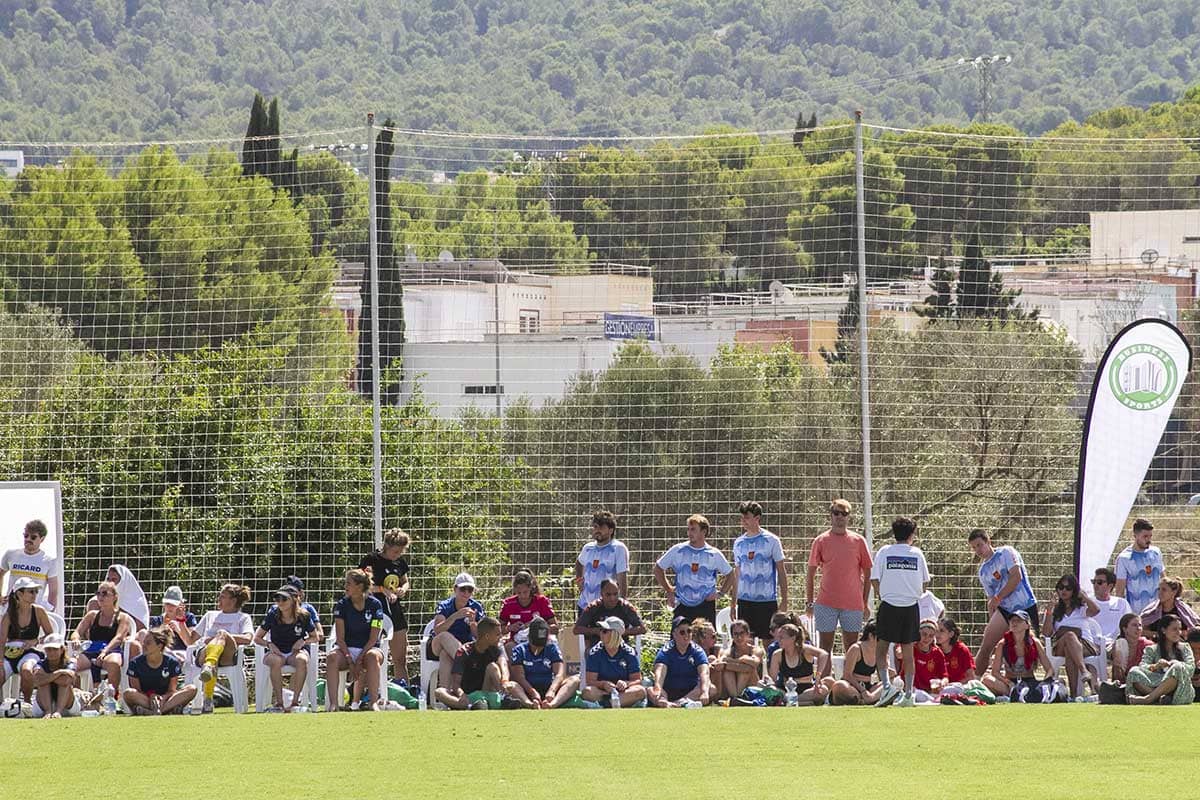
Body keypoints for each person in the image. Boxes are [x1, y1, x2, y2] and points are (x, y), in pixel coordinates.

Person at [870, 517, 930, 708]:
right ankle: (908, 694)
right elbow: (925, 582)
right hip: (910, 606)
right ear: (912, 534)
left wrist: (885, 594)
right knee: (908, 652)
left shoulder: (884, 552)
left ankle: (887, 686)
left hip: (889, 605)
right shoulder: (917, 554)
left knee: (881, 649)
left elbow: (874, 579)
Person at [806, 499, 872, 662]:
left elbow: (868, 572)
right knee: (825, 647)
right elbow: (810, 573)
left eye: (844, 514)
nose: (840, 517)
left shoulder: (858, 541)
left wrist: (865, 603)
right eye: (836, 513)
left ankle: (849, 683)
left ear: (849, 517)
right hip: (826, 603)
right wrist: (809, 602)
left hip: (852, 604)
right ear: (831, 515)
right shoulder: (821, 540)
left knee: (852, 647)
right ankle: (824, 683)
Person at [968, 529, 1039, 670]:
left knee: (1030, 646)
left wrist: (998, 597)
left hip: (1024, 605)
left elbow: (1016, 577)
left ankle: (1034, 680)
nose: (978, 550)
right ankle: (975, 681)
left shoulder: (1006, 552)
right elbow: (991, 599)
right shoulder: (983, 571)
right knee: (986, 645)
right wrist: (992, 617)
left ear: (988, 541)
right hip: (1005, 610)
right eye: (974, 547)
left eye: (980, 545)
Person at [654, 514, 732, 626]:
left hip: (705, 604)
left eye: (693, 529)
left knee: (705, 641)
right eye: (688, 529)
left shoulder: (713, 554)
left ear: (704, 532)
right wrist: (669, 589)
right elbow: (658, 568)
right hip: (682, 604)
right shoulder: (678, 550)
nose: (689, 533)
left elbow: (730, 574)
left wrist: (721, 593)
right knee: (678, 640)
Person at [327, 569, 386, 712]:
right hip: (346, 649)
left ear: (359, 587)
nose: (345, 586)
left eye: (349, 583)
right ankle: (334, 704)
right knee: (332, 658)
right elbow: (340, 639)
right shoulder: (342, 605)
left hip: (368, 649)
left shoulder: (375, 605)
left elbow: (373, 638)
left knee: (372, 657)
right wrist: (349, 660)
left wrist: (359, 660)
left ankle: (373, 703)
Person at [729, 501, 787, 643]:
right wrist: (733, 603)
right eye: (742, 518)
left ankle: (771, 666)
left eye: (747, 517)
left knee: (770, 643)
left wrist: (784, 599)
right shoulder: (738, 543)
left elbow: (781, 570)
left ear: (757, 518)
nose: (743, 521)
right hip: (745, 601)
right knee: (745, 644)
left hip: (766, 601)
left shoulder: (772, 540)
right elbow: (737, 574)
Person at [253, 585, 318, 712]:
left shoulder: (304, 616)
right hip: (276, 652)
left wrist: (303, 641)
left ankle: (295, 703)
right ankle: (279, 703)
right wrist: (269, 644)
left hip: (295, 652)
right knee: (276, 661)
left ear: (294, 599)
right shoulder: (273, 614)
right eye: (277, 599)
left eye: (284, 599)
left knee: (302, 660)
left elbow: (315, 637)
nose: (280, 602)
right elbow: (257, 638)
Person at [358, 527, 411, 683]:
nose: (398, 555)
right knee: (369, 657)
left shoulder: (400, 562)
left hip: (395, 611)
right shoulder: (371, 560)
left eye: (401, 551)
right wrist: (382, 589)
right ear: (386, 546)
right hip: (373, 612)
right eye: (395, 551)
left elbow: (405, 581)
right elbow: (360, 586)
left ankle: (404, 692)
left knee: (400, 659)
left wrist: (403, 589)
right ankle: (363, 695)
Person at [193, 583, 254, 714]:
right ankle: (208, 696)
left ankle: (209, 668)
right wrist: (180, 622)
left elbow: (248, 639)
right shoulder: (209, 615)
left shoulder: (243, 618)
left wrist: (223, 636)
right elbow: (189, 639)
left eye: (223, 596)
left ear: (233, 601)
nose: (218, 599)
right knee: (212, 654)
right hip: (204, 653)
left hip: (228, 656)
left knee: (222, 633)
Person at [1041, 573, 1102, 697]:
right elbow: (1046, 633)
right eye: (1061, 587)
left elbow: (1096, 610)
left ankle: (1074, 695)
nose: (1064, 590)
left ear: (1074, 591)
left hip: (1085, 645)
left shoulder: (1081, 608)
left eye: (1068, 588)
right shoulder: (1054, 610)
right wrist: (1049, 611)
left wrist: (1085, 597)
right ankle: (1084, 671)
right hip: (1060, 645)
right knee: (1069, 636)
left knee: (1070, 650)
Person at [428, 572, 486, 692]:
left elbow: (478, 636)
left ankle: (445, 694)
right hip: (437, 644)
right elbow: (437, 630)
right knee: (445, 636)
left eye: (470, 590)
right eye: (463, 589)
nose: (466, 593)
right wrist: (455, 616)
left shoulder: (476, 607)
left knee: (446, 654)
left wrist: (472, 623)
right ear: (455, 589)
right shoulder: (445, 606)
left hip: (463, 646)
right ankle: (469, 665)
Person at [71, 580, 133, 690]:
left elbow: (119, 637)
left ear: (114, 597)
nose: (100, 596)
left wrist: (105, 651)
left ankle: (112, 697)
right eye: (98, 593)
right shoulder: (92, 615)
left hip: (111, 650)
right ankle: (78, 696)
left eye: (104, 593)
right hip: (92, 650)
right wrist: (76, 639)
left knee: (113, 663)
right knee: (70, 665)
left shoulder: (123, 617)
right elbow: (77, 632)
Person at [434, 616, 506, 710]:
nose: (501, 637)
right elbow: (456, 683)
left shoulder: (497, 649)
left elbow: (503, 665)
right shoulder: (464, 651)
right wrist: (461, 694)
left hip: (486, 691)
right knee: (439, 692)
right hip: (467, 694)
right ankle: (468, 706)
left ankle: (503, 698)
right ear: (487, 636)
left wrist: (505, 681)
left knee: (493, 667)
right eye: (497, 634)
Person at [123, 625, 196, 715]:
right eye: (144, 642)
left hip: (166, 699)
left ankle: (153, 711)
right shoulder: (135, 663)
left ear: (159, 646)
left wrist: (162, 698)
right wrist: (151, 696)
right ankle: (167, 710)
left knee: (192, 689)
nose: (144, 646)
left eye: (148, 643)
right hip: (145, 699)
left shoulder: (171, 663)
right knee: (128, 693)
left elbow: (171, 691)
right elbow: (137, 690)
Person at [1, 576, 54, 700]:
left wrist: (35, 641)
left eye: (36, 591)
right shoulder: (8, 614)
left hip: (29, 653)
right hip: (9, 653)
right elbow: (2, 640)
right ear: (19, 593)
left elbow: (51, 636)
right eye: (31, 591)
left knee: (27, 670)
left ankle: (26, 703)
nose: (34, 594)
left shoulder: (39, 611)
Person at [980, 610, 1054, 698]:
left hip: (1029, 682)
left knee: (1059, 682)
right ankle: (1017, 694)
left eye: (1018, 620)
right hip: (1010, 683)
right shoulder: (1002, 644)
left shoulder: (1035, 643)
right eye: (1012, 620)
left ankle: (1019, 695)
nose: (1014, 623)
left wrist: (1044, 683)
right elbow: (995, 672)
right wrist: (1008, 682)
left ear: (1027, 625)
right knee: (986, 679)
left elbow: (1049, 669)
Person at [508, 617, 578, 709]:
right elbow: (519, 677)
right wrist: (533, 692)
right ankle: (529, 704)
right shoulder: (519, 650)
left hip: (549, 688)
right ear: (529, 638)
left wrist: (552, 691)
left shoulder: (552, 648)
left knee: (574, 680)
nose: (538, 649)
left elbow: (559, 674)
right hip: (526, 690)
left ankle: (552, 704)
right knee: (511, 685)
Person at [1126, 613, 1195, 705]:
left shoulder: (1185, 648)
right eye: (1174, 629)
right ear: (1163, 630)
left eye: (1180, 629)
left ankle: (1148, 699)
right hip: (1156, 683)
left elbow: (1191, 668)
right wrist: (1156, 666)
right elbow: (1142, 666)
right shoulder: (1152, 649)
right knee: (1134, 671)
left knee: (1177, 667)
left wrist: (1175, 663)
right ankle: (1160, 698)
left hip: (1179, 688)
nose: (1179, 632)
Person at [582, 616, 647, 708]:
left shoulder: (629, 653)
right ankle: (615, 702)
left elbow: (637, 680)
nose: (600, 633)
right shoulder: (595, 652)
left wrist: (626, 683)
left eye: (604, 631)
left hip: (624, 692)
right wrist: (604, 684)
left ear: (614, 634)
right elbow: (590, 681)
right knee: (587, 692)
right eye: (600, 630)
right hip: (602, 692)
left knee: (640, 691)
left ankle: (606, 704)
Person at [649, 616, 711, 707]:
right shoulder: (665, 651)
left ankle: (678, 703)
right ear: (674, 634)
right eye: (682, 632)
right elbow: (659, 673)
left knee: (711, 688)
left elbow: (704, 673)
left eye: (689, 631)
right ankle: (673, 703)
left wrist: (705, 692)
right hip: (669, 691)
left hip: (691, 691)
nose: (686, 635)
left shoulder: (697, 651)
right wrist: (658, 689)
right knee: (650, 690)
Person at [575, 510, 629, 614]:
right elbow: (579, 563)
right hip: (585, 605)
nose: (597, 530)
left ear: (611, 530)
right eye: (595, 527)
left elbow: (622, 577)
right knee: (582, 630)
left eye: (601, 527)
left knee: (605, 631)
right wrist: (579, 579)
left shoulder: (618, 548)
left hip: (607, 607)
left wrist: (622, 604)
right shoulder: (587, 548)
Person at [0, 519, 59, 611]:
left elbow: (53, 591)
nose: (28, 539)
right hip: (10, 609)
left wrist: (49, 611)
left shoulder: (49, 561)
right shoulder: (11, 554)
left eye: (33, 537)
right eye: (26, 536)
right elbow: (1, 574)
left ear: (42, 539)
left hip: (33, 612)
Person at [573, 578, 645, 649]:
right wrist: (595, 631)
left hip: (621, 647)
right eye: (608, 594)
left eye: (615, 594)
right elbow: (576, 629)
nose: (612, 598)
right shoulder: (593, 607)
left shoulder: (626, 607)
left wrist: (621, 631)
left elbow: (642, 629)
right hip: (597, 647)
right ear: (601, 594)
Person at [768, 622, 829, 705]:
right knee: (765, 687)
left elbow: (823, 654)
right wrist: (768, 681)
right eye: (778, 637)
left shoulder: (804, 650)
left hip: (806, 689)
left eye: (781, 638)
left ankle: (790, 701)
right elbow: (773, 680)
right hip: (787, 690)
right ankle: (801, 703)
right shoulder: (777, 654)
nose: (778, 640)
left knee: (823, 690)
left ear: (792, 638)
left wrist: (818, 676)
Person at [829, 621, 887, 705]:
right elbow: (847, 675)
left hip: (869, 688)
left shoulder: (879, 651)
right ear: (871, 636)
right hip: (852, 686)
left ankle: (869, 699)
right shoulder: (856, 649)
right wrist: (862, 690)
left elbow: (882, 676)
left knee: (895, 681)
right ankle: (867, 699)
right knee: (839, 685)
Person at [499, 570, 557, 653]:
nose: (522, 596)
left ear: (531, 588)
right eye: (519, 593)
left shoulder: (541, 601)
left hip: (539, 641)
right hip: (517, 642)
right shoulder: (508, 604)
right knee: (509, 647)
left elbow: (555, 628)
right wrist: (510, 627)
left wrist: (536, 628)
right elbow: (498, 629)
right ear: (514, 590)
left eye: (525, 592)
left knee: (551, 645)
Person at [1114, 518, 1162, 615]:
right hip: (1135, 613)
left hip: (1157, 610)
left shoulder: (1156, 552)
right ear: (1135, 535)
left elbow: (1163, 577)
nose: (1148, 540)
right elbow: (1119, 591)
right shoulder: (1124, 558)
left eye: (1150, 536)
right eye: (1145, 536)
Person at [31, 634, 81, 719]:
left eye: (55, 649)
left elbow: (65, 681)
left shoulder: (70, 663)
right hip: (43, 704)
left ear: (61, 650)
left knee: (63, 685)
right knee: (44, 684)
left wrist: (47, 677)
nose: (51, 652)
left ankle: (58, 711)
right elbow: (38, 682)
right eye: (48, 649)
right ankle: (48, 711)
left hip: (67, 705)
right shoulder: (40, 664)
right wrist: (59, 672)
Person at [88, 564, 150, 632]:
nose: (111, 583)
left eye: (114, 579)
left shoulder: (137, 602)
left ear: (124, 581)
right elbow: (88, 630)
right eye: (108, 579)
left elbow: (141, 630)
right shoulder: (96, 602)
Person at [715, 618, 763, 702]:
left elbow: (754, 663)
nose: (739, 637)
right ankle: (736, 698)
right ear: (732, 636)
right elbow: (720, 662)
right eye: (736, 634)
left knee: (746, 670)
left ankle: (736, 698)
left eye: (742, 633)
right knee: (728, 671)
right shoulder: (728, 651)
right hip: (731, 687)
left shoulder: (755, 650)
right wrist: (741, 662)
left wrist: (732, 662)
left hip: (751, 686)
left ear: (748, 634)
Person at [900, 620, 947, 702]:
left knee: (957, 687)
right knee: (921, 695)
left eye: (931, 636)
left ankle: (935, 699)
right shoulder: (911, 649)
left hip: (931, 690)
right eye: (924, 634)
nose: (927, 638)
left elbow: (945, 676)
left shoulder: (937, 653)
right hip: (912, 689)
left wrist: (942, 683)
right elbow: (899, 654)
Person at [146, 585, 197, 657]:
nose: (169, 607)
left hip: (183, 654)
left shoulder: (189, 618)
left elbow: (191, 644)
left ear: (180, 604)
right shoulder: (156, 620)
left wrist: (179, 630)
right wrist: (163, 628)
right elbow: (154, 645)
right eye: (167, 603)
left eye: (173, 604)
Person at [1087, 567, 1130, 645]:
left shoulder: (1122, 603)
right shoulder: (1087, 603)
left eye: (1099, 582)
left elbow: (1129, 625)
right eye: (1094, 582)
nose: (1095, 585)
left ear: (1110, 586)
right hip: (1091, 644)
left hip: (1114, 644)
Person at [1112, 613, 1152, 683]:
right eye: (1134, 625)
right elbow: (1117, 672)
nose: (1138, 628)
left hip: (1143, 681)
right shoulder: (1120, 644)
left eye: (1140, 625)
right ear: (1124, 629)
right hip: (1122, 682)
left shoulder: (1147, 645)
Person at [935, 618, 976, 684]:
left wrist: (952, 686)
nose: (937, 634)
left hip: (961, 687)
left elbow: (971, 677)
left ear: (951, 634)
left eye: (941, 631)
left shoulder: (961, 649)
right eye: (936, 631)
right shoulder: (934, 650)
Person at [285, 576, 325, 642]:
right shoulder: (278, 607)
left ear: (300, 592)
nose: (289, 593)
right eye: (287, 590)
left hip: (302, 647)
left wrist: (302, 639)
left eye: (293, 591)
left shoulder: (308, 608)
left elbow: (320, 635)